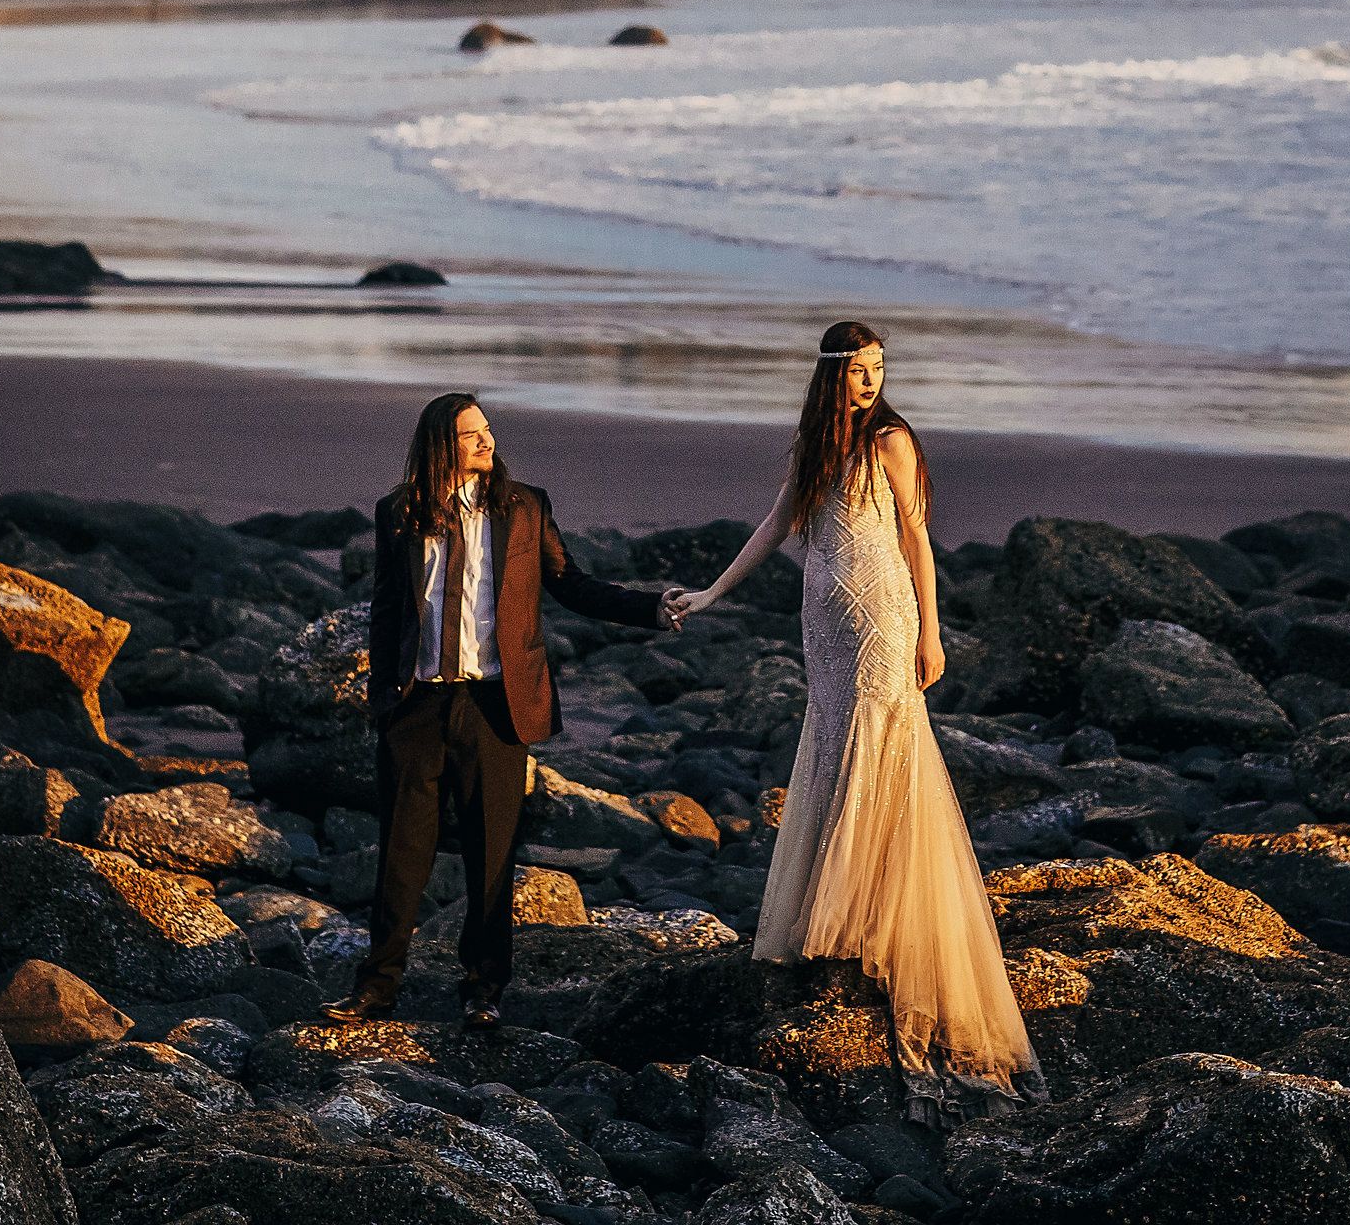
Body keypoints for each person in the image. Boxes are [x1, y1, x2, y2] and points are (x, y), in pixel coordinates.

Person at [668, 323, 1038, 1107]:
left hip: (881, 614)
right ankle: (835, 913)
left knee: (881, 744)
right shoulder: (811, 443)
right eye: (859, 370)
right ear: (833, 374)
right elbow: (777, 526)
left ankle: (873, 920)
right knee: (836, 745)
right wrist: (710, 594)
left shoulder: (892, 439)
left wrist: (932, 633)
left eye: (879, 368)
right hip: (825, 620)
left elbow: (916, 538)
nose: (871, 381)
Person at [334, 391, 675, 1026]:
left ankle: (484, 991)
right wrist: (384, 697)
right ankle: (376, 989)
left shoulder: (524, 507)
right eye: (470, 435)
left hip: (495, 706)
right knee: (401, 854)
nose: (487, 441)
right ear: (441, 445)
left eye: (487, 431)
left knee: (492, 858)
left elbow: (571, 583)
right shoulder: (398, 513)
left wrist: (652, 608)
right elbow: (387, 611)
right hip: (417, 707)